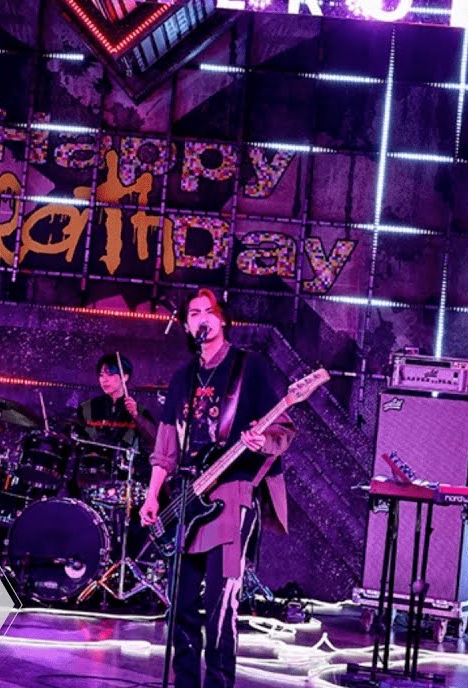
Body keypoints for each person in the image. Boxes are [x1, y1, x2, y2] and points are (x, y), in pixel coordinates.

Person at [140, 289, 295, 688]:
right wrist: (153, 495)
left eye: (209, 311)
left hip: (233, 494)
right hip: (188, 496)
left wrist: (262, 441)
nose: (202, 318)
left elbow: (283, 428)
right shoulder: (183, 378)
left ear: (222, 319)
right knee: (181, 604)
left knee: (220, 604)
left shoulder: (248, 367)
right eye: (194, 313)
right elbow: (166, 446)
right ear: (186, 325)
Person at [72, 352, 158, 492]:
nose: (104, 380)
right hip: (88, 478)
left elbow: (154, 440)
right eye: (101, 375)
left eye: (110, 374)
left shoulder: (139, 410)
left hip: (124, 482)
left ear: (125, 377)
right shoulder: (87, 408)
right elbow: (74, 439)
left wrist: (136, 416)